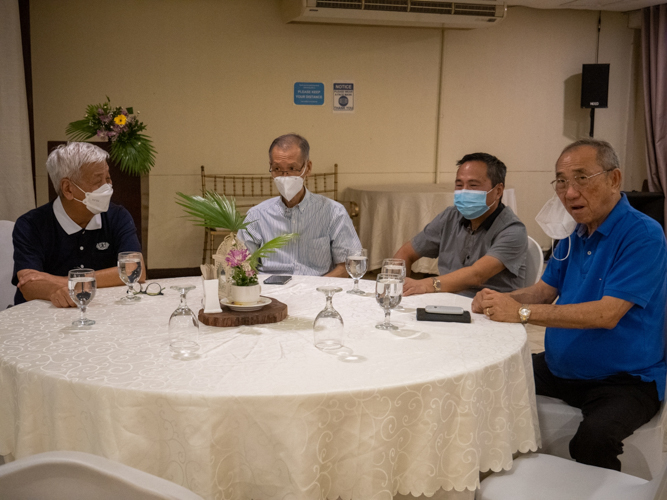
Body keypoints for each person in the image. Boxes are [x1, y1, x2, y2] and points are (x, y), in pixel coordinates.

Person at [474, 138, 667, 471]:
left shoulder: (643, 235)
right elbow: (545, 290)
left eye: (581, 178)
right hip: (561, 367)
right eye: (561, 182)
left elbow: (607, 314)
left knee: (594, 439)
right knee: (483, 379)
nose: (569, 192)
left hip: (625, 378)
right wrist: (499, 299)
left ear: (614, 179)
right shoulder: (573, 233)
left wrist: (519, 312)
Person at [12, 142, 144, 307]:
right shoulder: (31, 225)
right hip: (44, 315)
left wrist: (62, 281)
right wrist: (55, 291)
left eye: (108, 179)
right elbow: (28, 284)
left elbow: (135, 271)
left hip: (102, 312)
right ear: (68, 189)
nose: (107, 187)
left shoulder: (117, 216)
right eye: (98, 181)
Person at [394, 152, 527, 297]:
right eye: (459, 185)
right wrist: (397, 290)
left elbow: (476, 275)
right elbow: (405, 253)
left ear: (498, 191)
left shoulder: (513, 230)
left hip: (487, 310)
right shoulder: (450, 216)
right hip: (443, 302)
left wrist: (424, 284)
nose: (464, 191)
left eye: (473, 185)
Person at [238, 134, 361, 277]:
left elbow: (349, 264)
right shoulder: (257, 215)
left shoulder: (333, 212)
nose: (284, 176)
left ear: (307, 168)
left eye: (292, 168)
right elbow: (242, 264)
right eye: (277, 168)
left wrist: (314, 290)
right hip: (270, 291)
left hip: (316, 291)